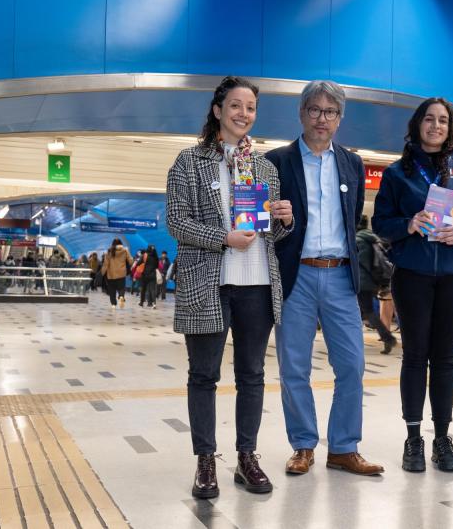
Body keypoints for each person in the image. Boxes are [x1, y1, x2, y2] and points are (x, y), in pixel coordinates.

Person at [166, 76, 294, 499]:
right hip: (209, 284)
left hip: (257, 282)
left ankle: (247, 457)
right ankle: (206, 461)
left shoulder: (265, 168)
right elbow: (177, 222)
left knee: (252, 375)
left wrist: (284, 219)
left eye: (251, 107)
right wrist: (224, 237)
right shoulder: (189, 162)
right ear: (218, 110)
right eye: (236, 105)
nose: (244, 114)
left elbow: (271, 233)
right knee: (203, 375)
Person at [266, 80, 384, 477]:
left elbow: (351, 222)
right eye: (315, 110)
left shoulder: (351, 162)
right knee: (294, 367)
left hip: (339, 276)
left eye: (330, 112)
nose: (322, 118)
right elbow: (260, 221)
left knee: (351, 364)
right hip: (295, 274)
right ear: (302, 114)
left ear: (340, 119)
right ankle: (303, 445)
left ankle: (344, 447)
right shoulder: (277, 161)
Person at [373, 97, 453, 472]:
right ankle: (413, 439)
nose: (436, 126)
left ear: (450, 127)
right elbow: (381, 223)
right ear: (417, 124)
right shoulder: (397, 173)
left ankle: (442, 438)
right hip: (413, 276)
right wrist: (408, 223)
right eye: (429, 119)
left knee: (443, 359)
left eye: (443, 120)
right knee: (414, 357)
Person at [356, 215, 397, 354]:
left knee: (368, 312)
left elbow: (358, 264)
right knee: (363, 311)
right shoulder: (372, 238)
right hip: (373, 281)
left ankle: (388, 338)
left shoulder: (358, 240)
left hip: (361, 282)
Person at [101, 238, 133, 309]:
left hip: (111, 274)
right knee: (121, 288)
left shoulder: (109, 252)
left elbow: (106, 264)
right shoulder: (125, 251)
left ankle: (113, 305)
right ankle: (121, 296)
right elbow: (131, 261)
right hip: (121, 273)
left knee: (112, 290)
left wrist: (102, 273)